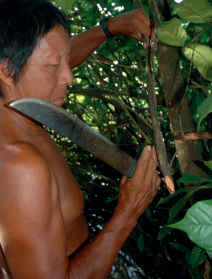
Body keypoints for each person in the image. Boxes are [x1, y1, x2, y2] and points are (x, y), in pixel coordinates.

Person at [0, 0, 160, 278]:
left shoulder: (21, 105)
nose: (69, 77)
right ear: (6, 70)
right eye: (53, 65)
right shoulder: (21, 168)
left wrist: (110, 27)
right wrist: (129, 209)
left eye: (66, 59)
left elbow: (45, 61)